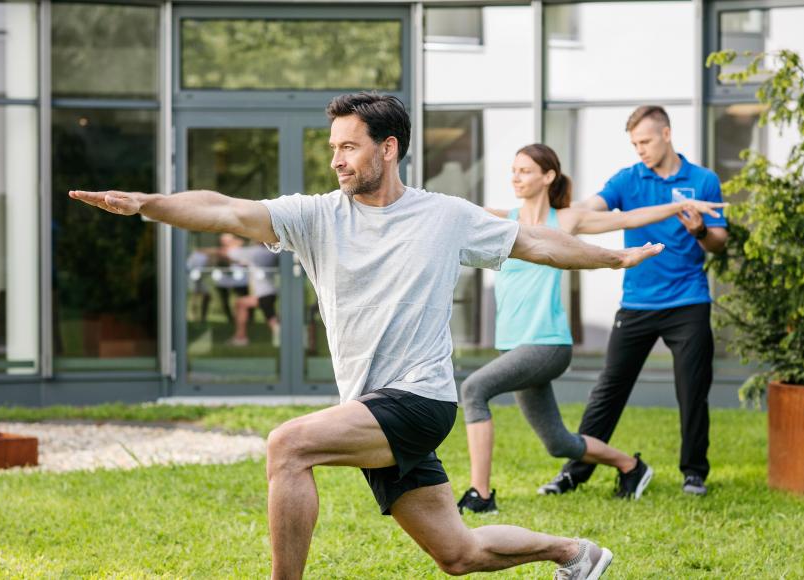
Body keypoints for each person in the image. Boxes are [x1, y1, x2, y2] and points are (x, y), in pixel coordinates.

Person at [69, 92, 665, 580]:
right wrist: (149, 204)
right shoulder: (315, 216)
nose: (338, 160)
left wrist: (609, 259)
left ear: (388, 147)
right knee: (458, 554)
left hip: (420, 399)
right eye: (334, 149)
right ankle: (575, 553)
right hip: (370, 404)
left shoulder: (444, 216)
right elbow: (225, 209)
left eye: (349, 147)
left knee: (287, 446)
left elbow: (536, 242)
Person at [457, 144, 726, 514]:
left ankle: (481, 495)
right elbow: (454, 212)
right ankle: (631, 466)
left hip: (547, 344)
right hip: (514, 346)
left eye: (524, 170)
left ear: (547, 177)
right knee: (558, 443)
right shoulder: (505, 220)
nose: (515, 177)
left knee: (474, 389)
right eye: (513, 170)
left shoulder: (565, 220)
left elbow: (628, 219)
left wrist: (678, 207)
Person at [537, 105, 728, 499]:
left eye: (645, 141)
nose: (639, 149)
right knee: (609, 389)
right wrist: (557, 212)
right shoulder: (628, 178)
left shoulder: (703, 179)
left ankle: (694, 473)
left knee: (693, 390)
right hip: (637, 303)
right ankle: (575, 471)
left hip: (688, 301)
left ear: (666, 134)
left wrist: (700, 231)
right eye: (634, 143)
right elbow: (592, 207)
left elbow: (719, 244)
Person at [226, 242, 281, 347]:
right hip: (268, 292)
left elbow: (229, 253)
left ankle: (241, 337)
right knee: (271, 317)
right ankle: (241, 337)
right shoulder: (270, 253)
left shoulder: (257, 253)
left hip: (265, 293)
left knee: (241, 304)